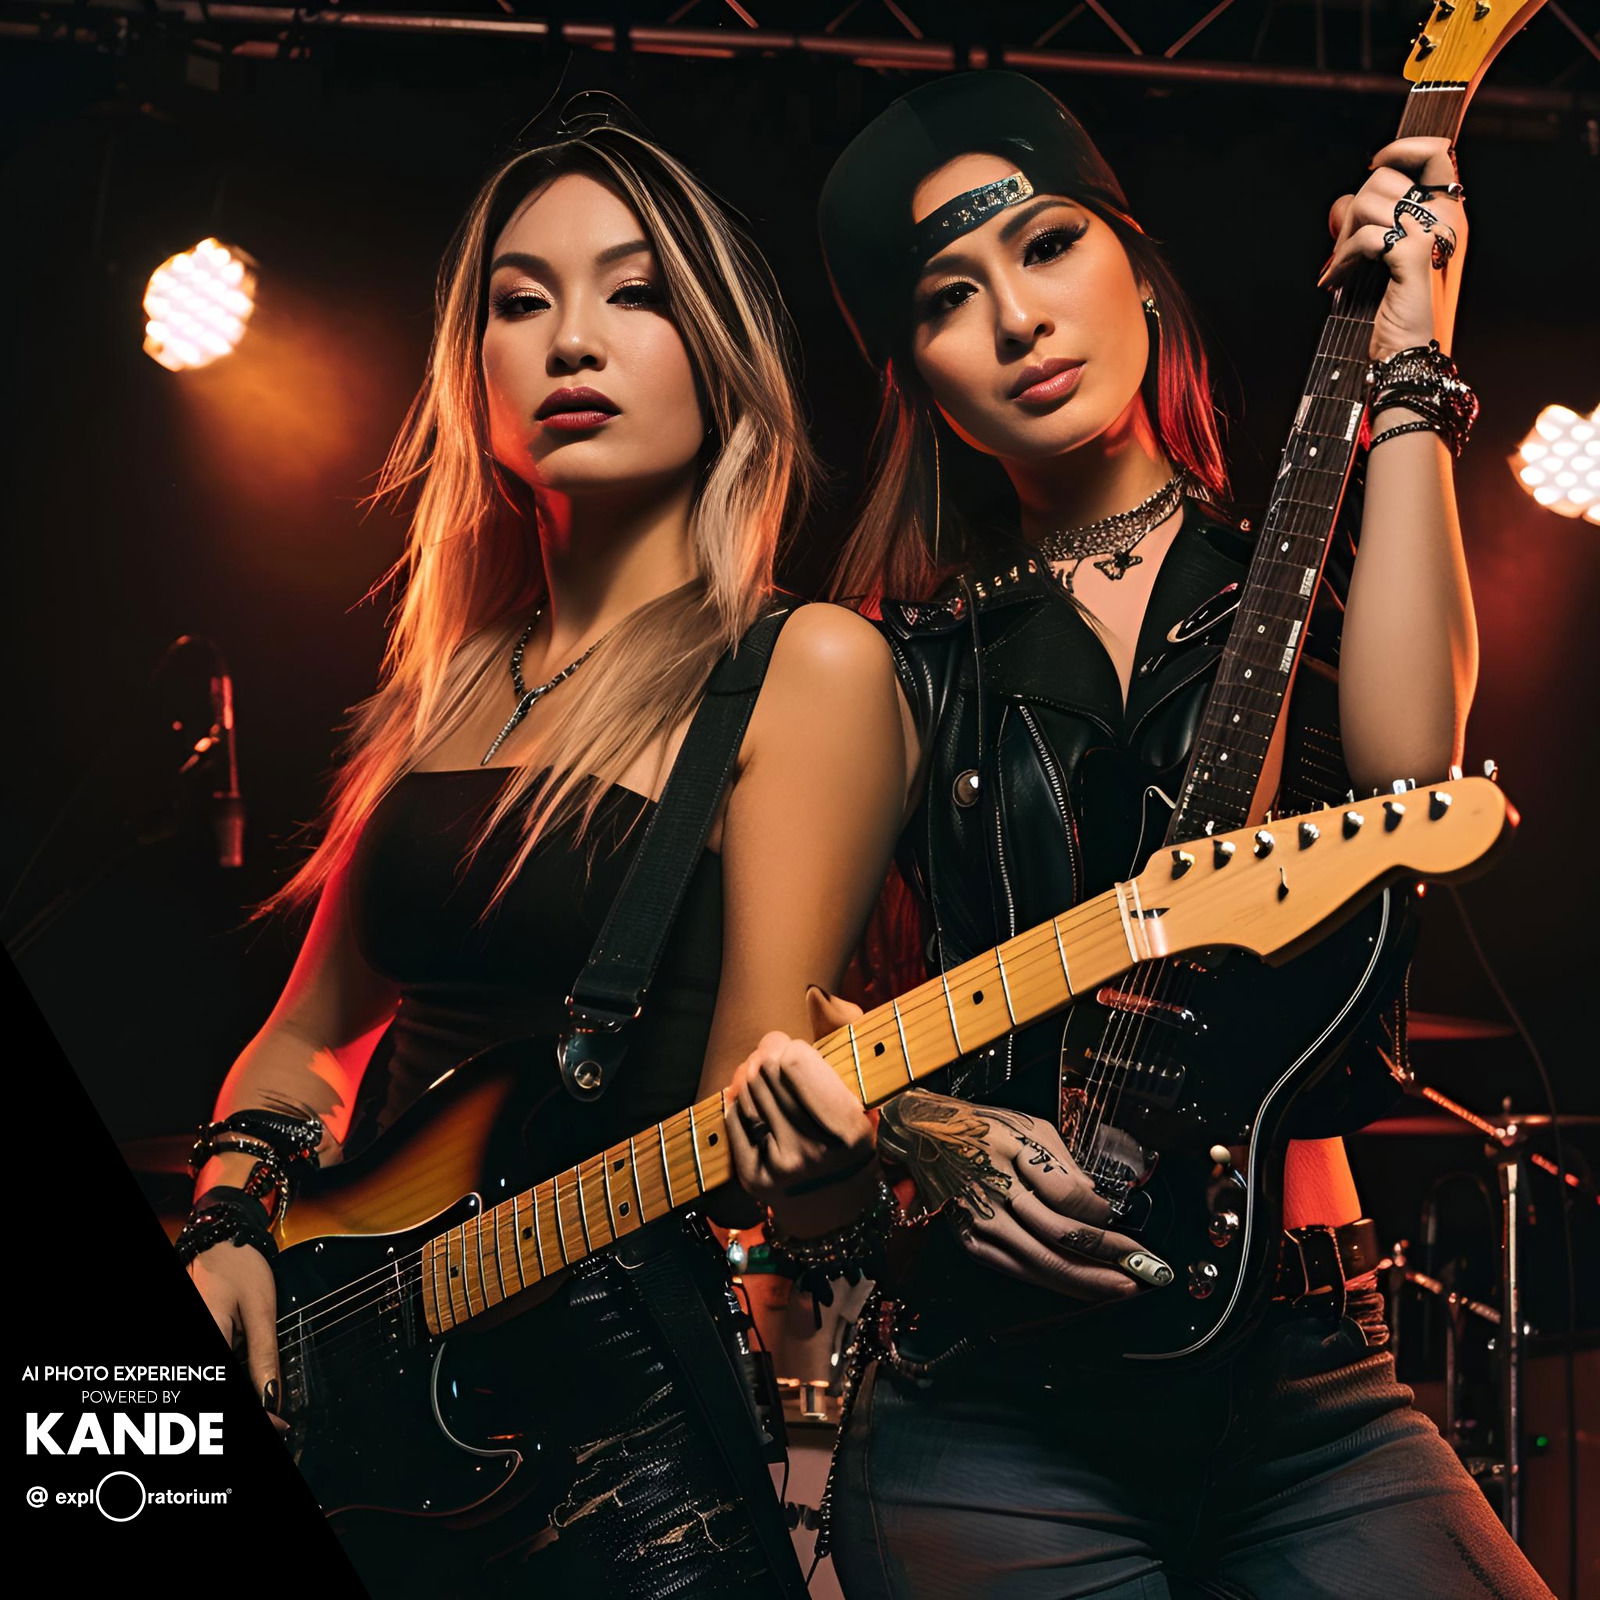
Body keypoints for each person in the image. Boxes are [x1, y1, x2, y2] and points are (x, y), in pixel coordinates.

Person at [723, 72, 1553, 1598]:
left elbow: (1411, 763)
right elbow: (770, 1046)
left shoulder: (1298, 576)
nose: (1020, 321)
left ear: (1136, 266)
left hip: (1314, 1381)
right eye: (946, 300)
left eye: (1047, 248)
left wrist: (1411, 350)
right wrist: (929, 1130)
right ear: (914, 377)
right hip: (995, 1409)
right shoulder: (893, 667)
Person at [177, 108, 910, 1599]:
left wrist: (825, 1170)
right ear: (478, 373)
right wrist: (234, 1219)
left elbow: (745, 1122)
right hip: (368, 1406)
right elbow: (311, 1034)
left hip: (615, 1446)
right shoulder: (446, 680)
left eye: (634, 293)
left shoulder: (803, 665)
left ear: (719, 356)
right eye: (523, 301)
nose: (573, 339)